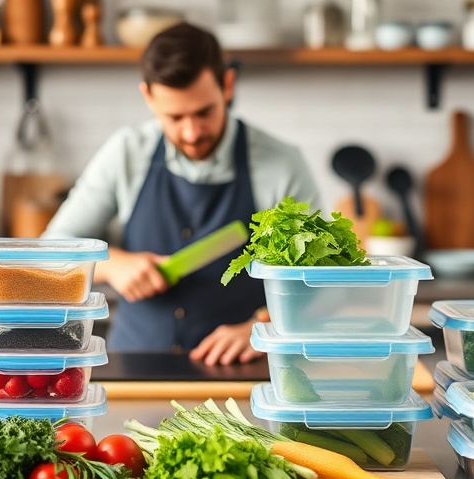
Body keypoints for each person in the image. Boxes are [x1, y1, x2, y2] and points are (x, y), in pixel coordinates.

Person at [43, 22, 321, 365]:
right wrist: (113, 264)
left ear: (228, 85)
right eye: (174, 117)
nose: (191, 133)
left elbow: (321, 282)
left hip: (241, 375)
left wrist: (263, 326)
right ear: (148, 97)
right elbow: (50, 249)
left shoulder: (281, 164)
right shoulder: (127, 152)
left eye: (204, 112)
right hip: (133, 368)